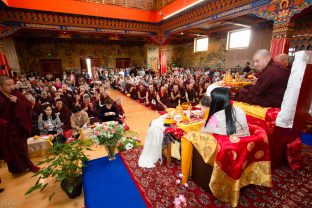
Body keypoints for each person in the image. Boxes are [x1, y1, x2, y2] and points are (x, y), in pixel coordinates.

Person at [0, 75, 39, 173]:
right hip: (5, 129)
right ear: (1, 86)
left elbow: (28, 106)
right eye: (7, 85)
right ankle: (17, 169)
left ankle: (28, 165)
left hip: (18, 127)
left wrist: (18, 102)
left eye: (12, 84)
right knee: (11, 150)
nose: (11, 87)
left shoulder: (16, 94)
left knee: (22, 148)